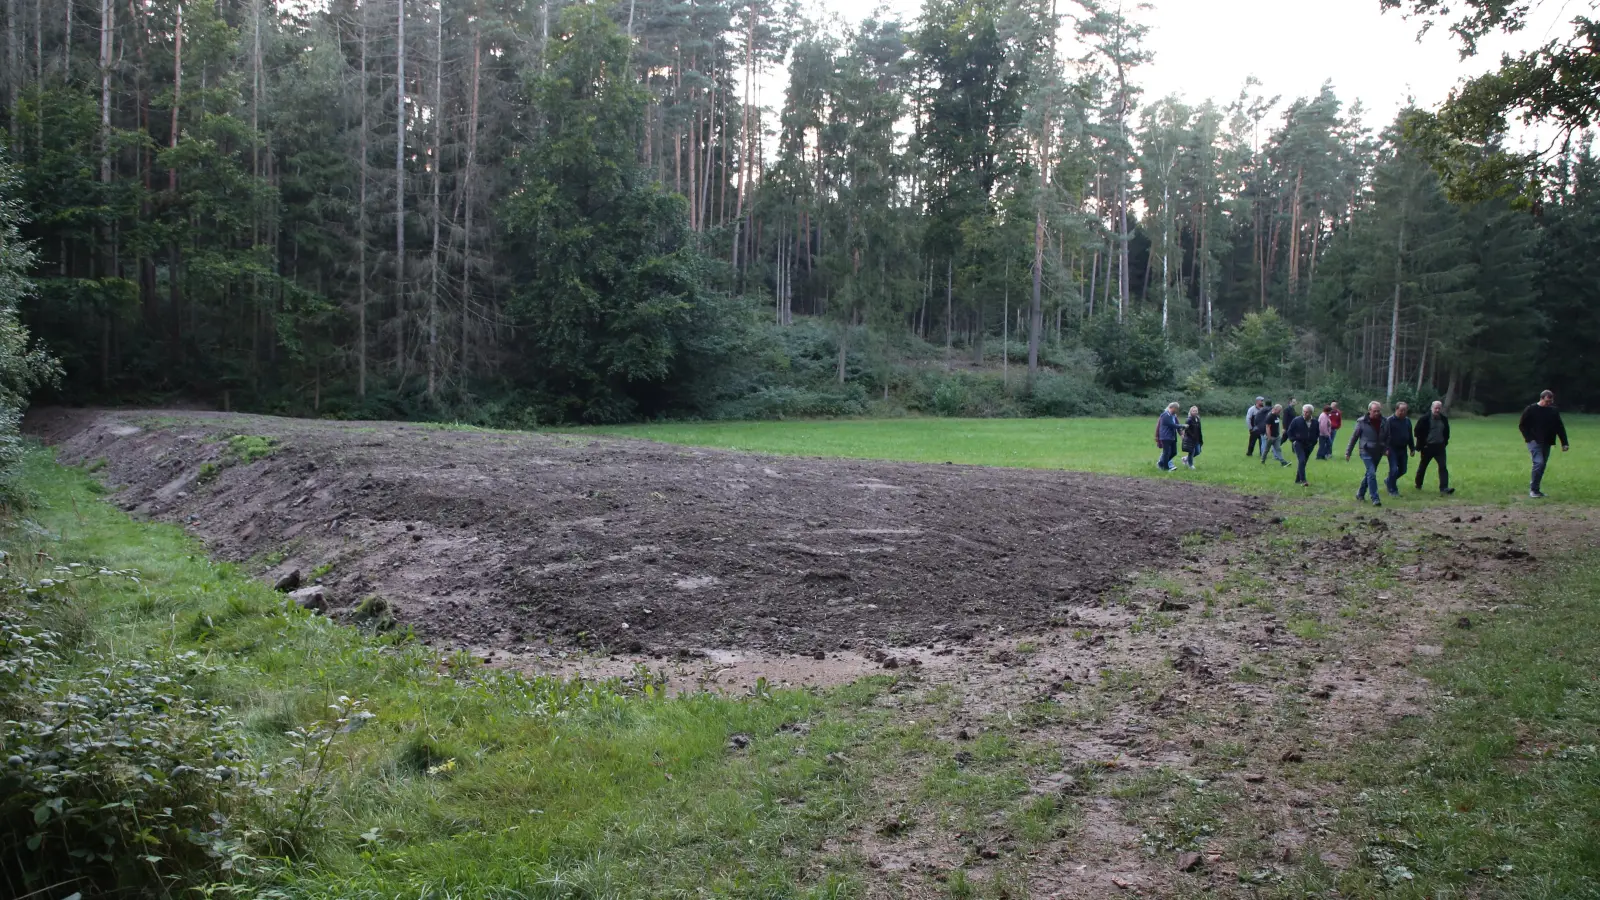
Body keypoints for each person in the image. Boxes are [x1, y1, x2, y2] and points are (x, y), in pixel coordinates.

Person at [1519, 389, 1571, 498]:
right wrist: (1529, 438)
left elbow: (1559, 427)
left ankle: (1536, 490)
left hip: (1547, 441)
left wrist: (1564, 443)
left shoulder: (1553, 411)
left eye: (1550, 402)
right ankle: (1533, 490)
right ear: (1541, 398)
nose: (1548, 404)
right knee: (1539, 463)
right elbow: (1522, 425)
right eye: (1547, 401)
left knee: (1542, 466)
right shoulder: (1531, 409)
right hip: (1534, 441)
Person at [1345, 400, 1391, 507]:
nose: (1377, 413)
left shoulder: (1385, 421)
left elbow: (1388, 436)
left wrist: (1386, 448)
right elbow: (1354, 437)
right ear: (1369, 410)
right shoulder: (1361, 422)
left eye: (1378, 411)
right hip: (1365, 450)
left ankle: (1360, 494)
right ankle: (1375, 498)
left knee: (1369, 474)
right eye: (1374, 411)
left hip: (1378, 451)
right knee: (1372, 473)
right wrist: (1348, 452)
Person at [1413, 400, 1454, 495]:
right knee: (1423, 466)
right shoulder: (1424, 419)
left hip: (1440, 447)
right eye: (1436, 408)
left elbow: (1446, 432)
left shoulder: (1443, 419)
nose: (1437, 410)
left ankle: (1444, 488)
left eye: (1439, 408)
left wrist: (1444, 442)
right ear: (1432, 408)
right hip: (1427, 447)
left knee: (1443, 466)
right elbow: (1417, 432)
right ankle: (1418, 484)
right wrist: (1421, 444)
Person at [1384, 402, 1416, 496]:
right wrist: (1385, 448)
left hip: (1403, 449)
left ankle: (1389, 480)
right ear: (1396, 410)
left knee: (1403, 470)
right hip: (1392, 449)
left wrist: (1412, 448)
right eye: (1401, 410)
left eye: (1405, 410)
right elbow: (1384, 436)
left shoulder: (1407, 421)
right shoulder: (1389, 421)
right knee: (1393, 469)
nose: (1403, 412)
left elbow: (1409, 435)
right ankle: (1393, 490)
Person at [1285, 404, 1317, 485]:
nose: (1305, 414)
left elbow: (1317, 433)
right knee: (1302, 460)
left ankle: (1297, 480)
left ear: (1311, 413)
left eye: (1307, 412)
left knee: (1303, 462)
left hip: (1309, 445)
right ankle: (1303, 480)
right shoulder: (1297, 420)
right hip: (1298, 443)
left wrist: (1314, 443)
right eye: (1304, 412)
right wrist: (1293, 441)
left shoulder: (1315, 422)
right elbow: (1289, 431)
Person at [1156, 402, 1182, 472]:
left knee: (1174, 452)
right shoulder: (1165, 415)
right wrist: (1183, 426)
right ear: (1172, 408)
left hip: (1172, 436)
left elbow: (1176, 424)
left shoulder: (1173, 415)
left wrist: (1181, 432)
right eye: (1176, 409)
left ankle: (1161, 463)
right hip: (1165, 436)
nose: (1177, 411)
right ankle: (1165, 468)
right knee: (1166, 453)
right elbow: (1172, 425)